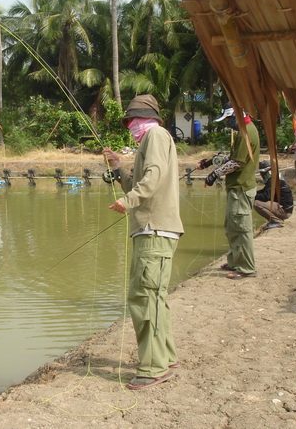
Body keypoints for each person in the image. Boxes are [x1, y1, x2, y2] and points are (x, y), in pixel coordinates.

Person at [101, 94, 184, 390]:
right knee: (155, 297)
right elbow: (139, 181)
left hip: (155, 230)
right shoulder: (148, 143)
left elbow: (154, 177)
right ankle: (166, 357)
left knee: (144, 298)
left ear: (147, 119)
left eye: (133, 120)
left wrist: (128, 200)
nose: (131, 126)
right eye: (129, 122)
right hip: (152, 230)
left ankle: (153, 368)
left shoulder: (157, 135)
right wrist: (116, 167)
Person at [196, 102, 260, 279]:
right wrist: (209, 162)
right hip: (236, 188)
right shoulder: (243, 131)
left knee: (241, 228)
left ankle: (246, 268)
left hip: (241, 187)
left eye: (228, 119)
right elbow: (231, 157)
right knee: (231, 226)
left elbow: (236, 163)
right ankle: (234, 262)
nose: (227, 124)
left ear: (236, 116)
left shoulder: (246, 132)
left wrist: (214, 175)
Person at [254, 160, 294, 229]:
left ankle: (277, 221)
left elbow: (266, 196)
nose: (261, 175)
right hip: (286, 209)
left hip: (284, 210)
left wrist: (252, 196)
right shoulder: (275, 178)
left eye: (262, 173)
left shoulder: (273, 180)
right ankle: (276, 220)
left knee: (256, 203)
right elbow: (264, 192)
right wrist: (254, 194)